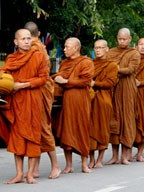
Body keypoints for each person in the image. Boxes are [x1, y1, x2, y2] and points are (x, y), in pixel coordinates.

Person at [0, 29, 49, 184]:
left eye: (29, 38)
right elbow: (3, 76)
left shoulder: (39, 56)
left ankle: (30, 173)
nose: (27, 41)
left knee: (33, 137)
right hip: (16, 103)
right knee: (18, 138)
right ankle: (19, 174)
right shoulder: (11, 58)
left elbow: (43, 79)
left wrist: (23, 85)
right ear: (16, 42)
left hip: (32, 100)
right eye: (23, 39)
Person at [52, 37, 95, 173]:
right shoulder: (64, 63)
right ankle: (69, 165)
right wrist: (55, 78)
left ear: (76, 48)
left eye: (67, 47)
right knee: (67, 132)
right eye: (64, 47)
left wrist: (65, 82)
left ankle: (84, 164)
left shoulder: (86, 62)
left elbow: (85, 81)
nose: (64, 49)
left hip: (81, 100)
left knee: (82, 130)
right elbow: (59, 75)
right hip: (67, 101)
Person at [24, 21, 60, 180]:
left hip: (40, 92)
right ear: (39, 34)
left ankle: (55, 166)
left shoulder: (36, 50)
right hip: (34, 92)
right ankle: (35, 168)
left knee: (44, 128)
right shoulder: (37, 48)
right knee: (35, 130)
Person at [107, 28, 140, 165]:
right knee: (115, 119)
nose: (122, 41)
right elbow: (106, 66)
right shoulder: (112, 52)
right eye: (120, 39)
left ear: (130, 39)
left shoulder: (134, 53)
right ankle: (114, 156)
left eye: (124, 39)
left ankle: (125, 155)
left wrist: (115, 69)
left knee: (127, 119)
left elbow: (131, 69)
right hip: (114, 88)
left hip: (127, 88)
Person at [88, 39, 118, 169]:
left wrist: (95, 84)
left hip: (104, 100)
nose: (98, 50)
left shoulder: (112, 65)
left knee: (103, 129)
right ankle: (91, 159)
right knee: (90, 129)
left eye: (101, 48)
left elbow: (110, 83)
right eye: (96, 48)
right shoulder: (90, 64)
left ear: (107, 49)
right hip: (90, 99)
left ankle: (100, 159)